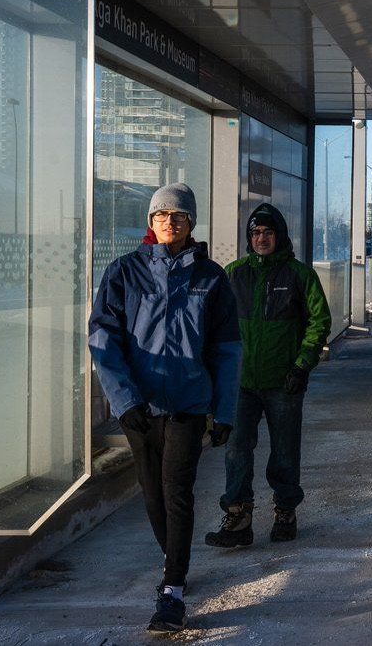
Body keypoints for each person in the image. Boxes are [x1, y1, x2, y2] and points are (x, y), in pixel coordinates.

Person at [88, 183, 241, 633]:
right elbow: (103, 339)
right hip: (140, 407)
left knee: (177, 491)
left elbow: (228, 349)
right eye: (161, 216)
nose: (169, 222)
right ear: (150, 223)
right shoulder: (124, 272)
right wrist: (124, 399)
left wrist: (225, 411)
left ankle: (172, 589)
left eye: (178, 216)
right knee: (153, 497)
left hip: (189, 406)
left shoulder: (211, 278)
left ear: (191, 223)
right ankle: (173, 561)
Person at [206, 203, 331, 549]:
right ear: (249, 238)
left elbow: (319, 322)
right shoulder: (233, 274)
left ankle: (285, 511)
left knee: (285, 452)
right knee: (236, 450)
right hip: (240, 384)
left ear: (279, 236)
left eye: (268, 232)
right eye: (256, 233)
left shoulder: (299, 275)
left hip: (284, 381)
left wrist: (303, 364)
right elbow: (214, 326)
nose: (261, 238)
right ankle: (238, 516)